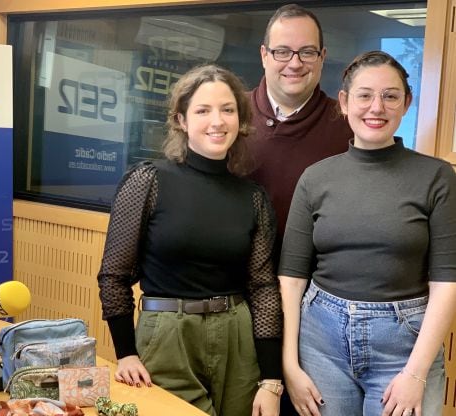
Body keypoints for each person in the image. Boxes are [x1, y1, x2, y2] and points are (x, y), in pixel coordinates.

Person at [97, 63, 283, 416]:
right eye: (202, 110)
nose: (217, 121)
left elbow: (263, 288)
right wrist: (125, 352)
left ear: (240, 121)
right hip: (168, 335)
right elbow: (113, 276)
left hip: (238, 338)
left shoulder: (253, 197)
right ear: (181, 119)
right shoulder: (147, 181)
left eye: (228, 110)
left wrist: (271, 380)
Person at [278, 50, 456, 416]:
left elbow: (447, 281)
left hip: (405, 346)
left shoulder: (437, 178)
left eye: (390, 96)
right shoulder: (315, 178)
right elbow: (292, 278)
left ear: (406, 103)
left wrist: (416, 373)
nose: (377, 107)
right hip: (320, 343)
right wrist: (290, 367)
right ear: (344, 102)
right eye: (364, 95)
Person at [248, 4, 353, 257]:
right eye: (282, 52)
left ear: (322, 56)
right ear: (264, 55)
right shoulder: (228, 116)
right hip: (232, 287)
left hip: (318, 287)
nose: (294, 64)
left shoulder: (349, 126)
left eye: (307, 52)